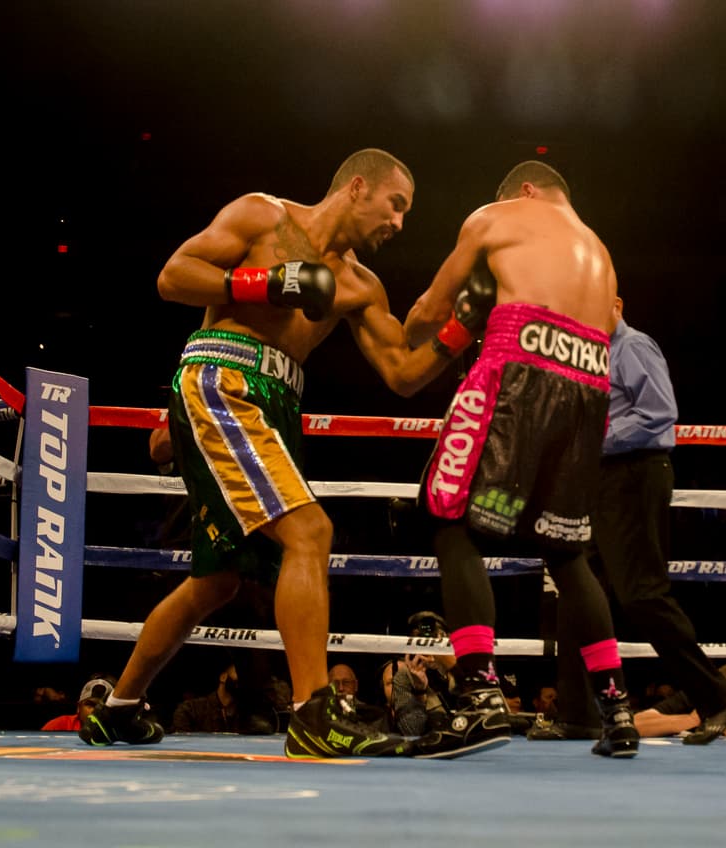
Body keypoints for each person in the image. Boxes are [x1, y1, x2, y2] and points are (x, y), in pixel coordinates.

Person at [80, 149, 461, 759]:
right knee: (310, 532)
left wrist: (460, 327)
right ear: (357, 186)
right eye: (397, 204)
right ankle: (315, 714)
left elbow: (402, 372)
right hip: (223, 377)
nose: (399, 223)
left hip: (277, 403)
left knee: (218, 582)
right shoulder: (263, 216)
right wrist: (263, 282)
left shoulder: (361, 284)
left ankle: (118, 708)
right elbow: (173, 276)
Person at [403, 160, 637, 759]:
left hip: (519, 370)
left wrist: (447, 324)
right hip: (588, 386)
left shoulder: (497, 215)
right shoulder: (598, 247)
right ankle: (617, 709)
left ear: (524, 190)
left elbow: (427, 312)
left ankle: (480, 697)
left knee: (451, 520)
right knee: (564, 549)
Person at [529, 296, 726, 745]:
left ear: (617, 304)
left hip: (635, 473)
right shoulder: (584, 357)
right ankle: (578, 713)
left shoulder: (634, 346)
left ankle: (717, 696)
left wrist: (591, 442)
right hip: (595, 480)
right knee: (578, 589)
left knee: (642, 594)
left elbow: (659, 413)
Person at [41, 675, 116, 732]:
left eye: (103, 706)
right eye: (90, 704)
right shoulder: (58, 726)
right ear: (78, 707)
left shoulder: (120, 731)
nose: (96, 711)